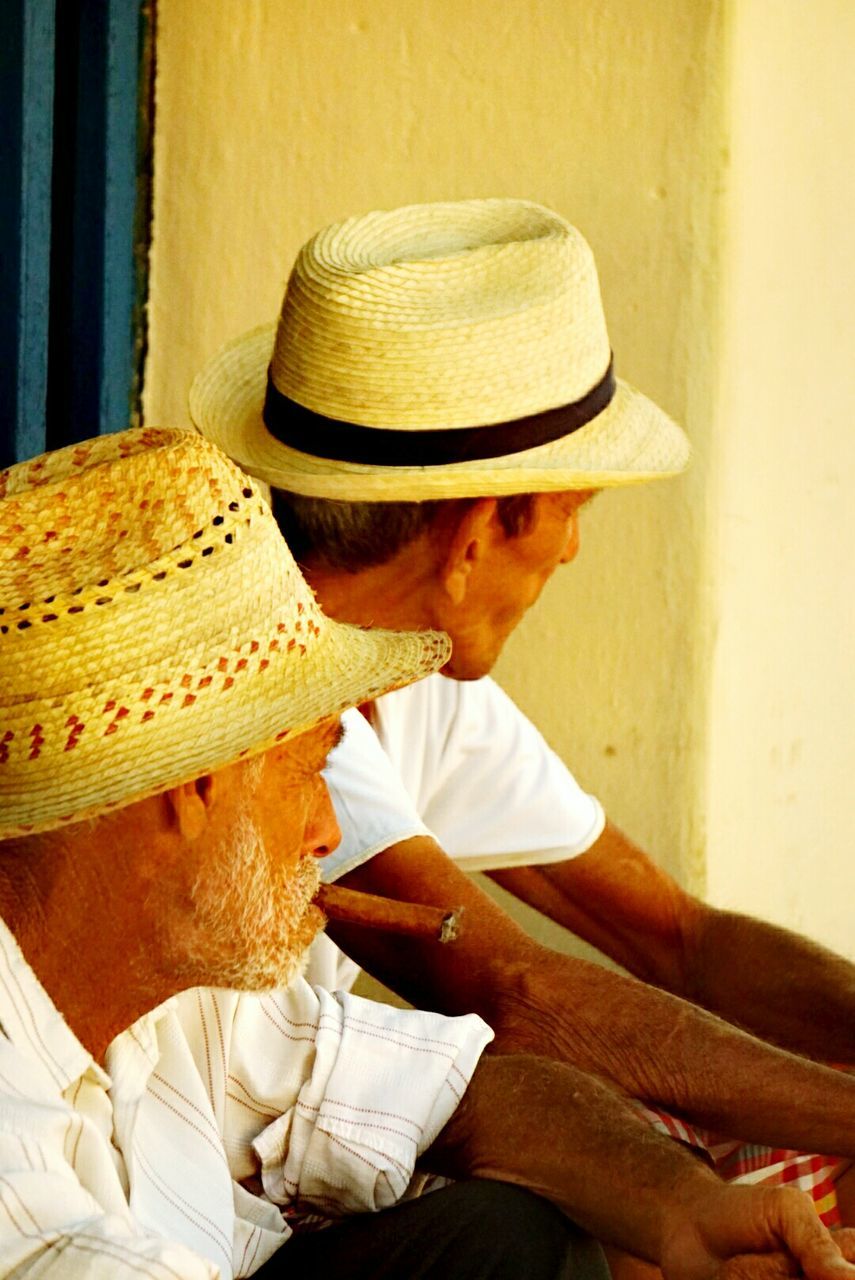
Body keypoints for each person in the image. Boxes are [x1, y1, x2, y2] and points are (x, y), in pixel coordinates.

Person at [5, 427, 849, 1279]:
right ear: (199, 786)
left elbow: (467, 1091)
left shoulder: (192, 1003)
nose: (330, 833)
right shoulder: (23, 1191)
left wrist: (688, 1216)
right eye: (311, 767)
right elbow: (521, 993)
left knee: (510, 1232)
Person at [190, 197, 855, 1231]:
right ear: (480, 530)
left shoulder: (408, 677)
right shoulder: (259, 687)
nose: (574, 552)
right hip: (184, 1222)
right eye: (572, 510)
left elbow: (680, 940)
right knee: (599, 1208)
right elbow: (517, 988)